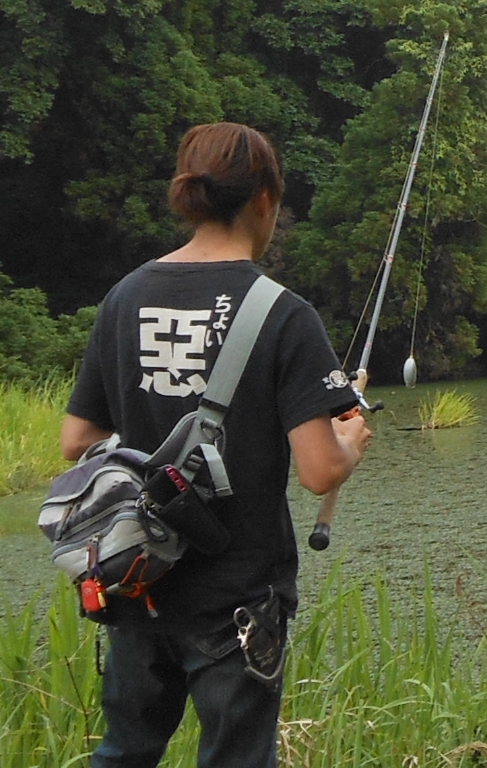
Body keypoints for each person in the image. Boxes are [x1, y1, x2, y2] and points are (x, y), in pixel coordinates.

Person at [59, 122, 372, 768]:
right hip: (237, 606)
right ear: (265, 201)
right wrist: (350, 440)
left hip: (135, 584)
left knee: (123, 753)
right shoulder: (284, 315)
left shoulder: (124, 298)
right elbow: (319, 471)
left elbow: (76, 440)